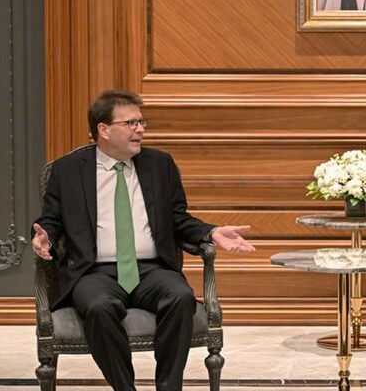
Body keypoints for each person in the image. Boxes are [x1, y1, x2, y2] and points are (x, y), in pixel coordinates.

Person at [31, 89, 256, 391]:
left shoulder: (160, 165)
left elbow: (178, 218)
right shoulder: (67, 171)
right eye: (131, 123)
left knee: (181, 297)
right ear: (104, 130)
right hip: (94, 272)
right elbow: (52, 221)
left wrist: (212, 232)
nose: (140, 130)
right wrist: (43, 238)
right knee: (98, 307)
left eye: (141, 122)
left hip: (151, 270)